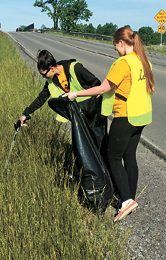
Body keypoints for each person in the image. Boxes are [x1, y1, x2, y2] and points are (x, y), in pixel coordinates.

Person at [62, 27, 155, 222]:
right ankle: (128, 197)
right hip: (143, 116)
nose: (116, 50)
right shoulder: (142, 61)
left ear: (122, 43)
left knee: (113, 157)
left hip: (127, 116)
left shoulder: (123, 63)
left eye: (115, 46)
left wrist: (75, 94)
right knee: (130, 156)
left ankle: (126, 200)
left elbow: (104, 87)